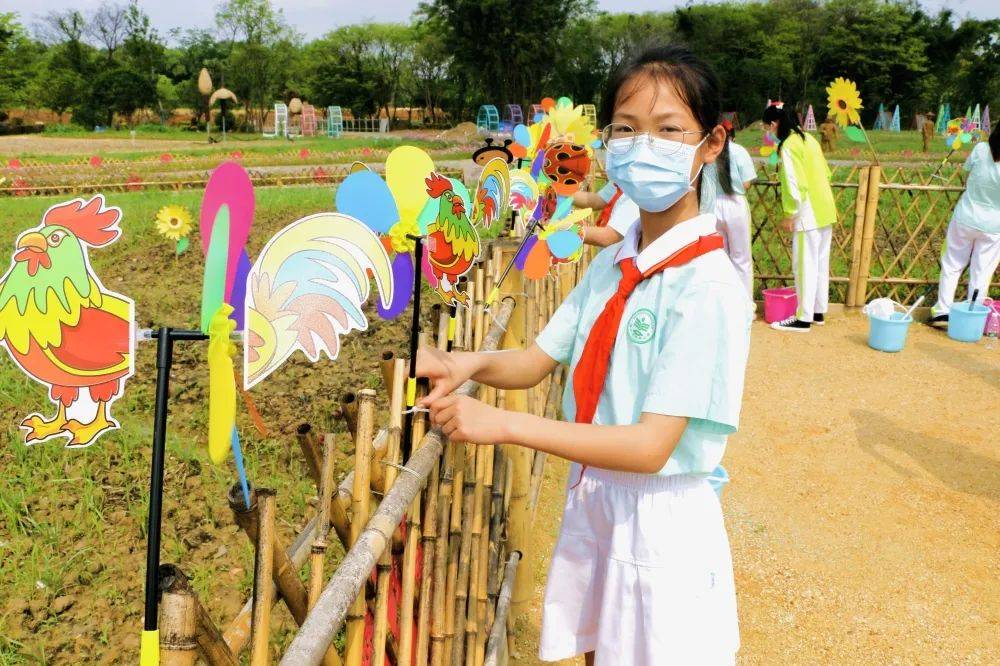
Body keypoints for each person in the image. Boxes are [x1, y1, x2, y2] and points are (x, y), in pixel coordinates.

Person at [416, 44, 751, 665]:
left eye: (668, 129)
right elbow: (537, 360)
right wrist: (467, 365)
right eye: (626, 129)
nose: (642, 145)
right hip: (596, 495)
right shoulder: (612, 266)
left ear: (711, 144)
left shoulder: (706, 287)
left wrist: (505, 425)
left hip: (660, 520)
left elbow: (652, 447)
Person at [763, 102, 837, 332]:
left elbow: (794, 183)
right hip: (825, 209)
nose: (768, 132)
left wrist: (790, 213)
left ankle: (803, 318)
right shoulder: (809, 139)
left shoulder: (788, 146)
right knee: (820, 264)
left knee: (804, 264)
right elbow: (826, 172)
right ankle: (817, 312)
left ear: (774, 124)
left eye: (767, 127)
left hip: (807, 213)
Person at [929, 123, 1000, 325]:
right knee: (982, 272)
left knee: (952, 264)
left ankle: (942, 311)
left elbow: (968, 178)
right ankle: (971, 317)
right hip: (995, 226)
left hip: (966, 217)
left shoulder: (980, 149)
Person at [715, 119, 757, 297]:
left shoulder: (711, 151)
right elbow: (746, 183)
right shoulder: (740, 151)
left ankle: (724, 302)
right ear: (732, 135)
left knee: (719, 257)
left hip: (713, 205)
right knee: (741, 258)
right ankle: (746, 304)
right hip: (736, 204)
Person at [573, 179, 640, 247]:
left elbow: (609, 237)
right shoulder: (624, 176)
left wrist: (569, 231)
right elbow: (597, 200)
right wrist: (564, 193)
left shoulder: (641, 192)